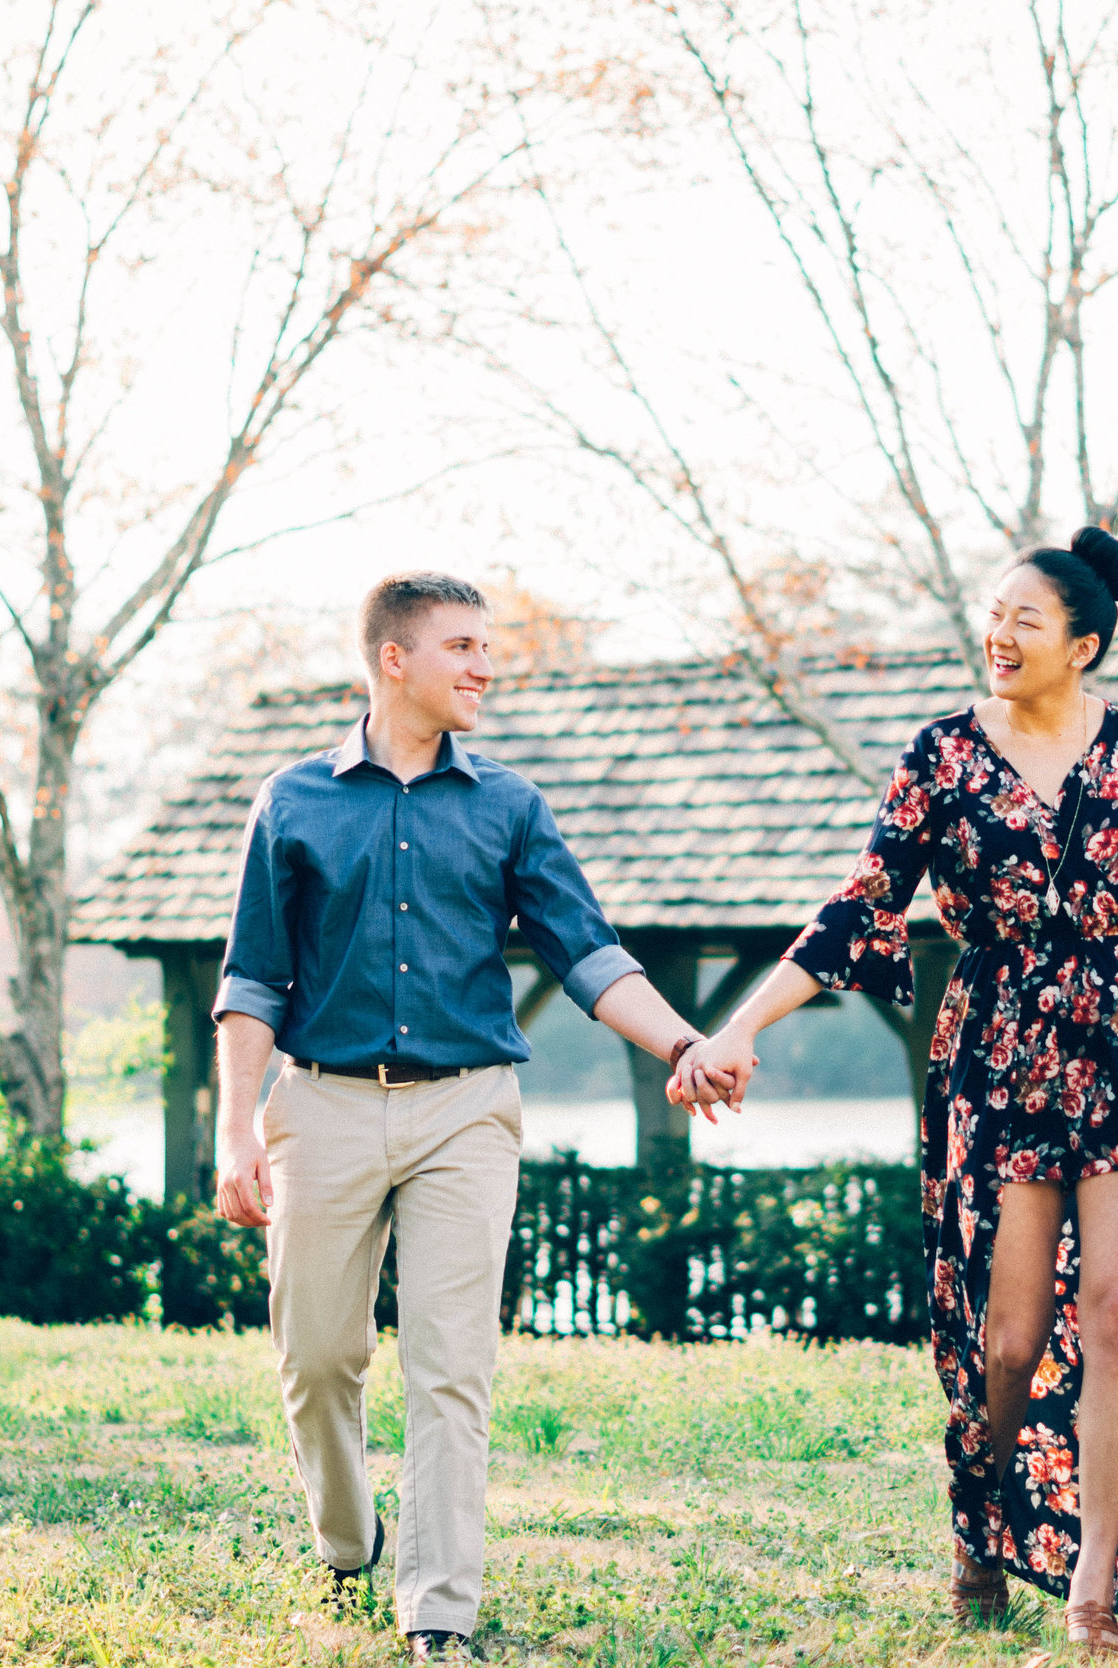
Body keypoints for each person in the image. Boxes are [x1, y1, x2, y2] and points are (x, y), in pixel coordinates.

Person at [673, 528, 1118, 1655]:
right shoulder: (941, 754)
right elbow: (859, 902)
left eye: (1025, 619)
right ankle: (982, 1519)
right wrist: (738, 1025)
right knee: (1010, 1342)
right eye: (993, 615)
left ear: (1084, 644)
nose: (999, 634)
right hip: (1005, 1059)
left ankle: (1094, 1579)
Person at [211, 572, 734, 1661]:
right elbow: (253, 983)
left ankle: (437, 1611)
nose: (485, 665)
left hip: (467, 1114)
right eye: (462, 646)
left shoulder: (508, 804)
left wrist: (684, 1041)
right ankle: (348, 1541)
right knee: (316, 1358)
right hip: (324, 1107)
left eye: (487, 645)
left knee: (450, 1366)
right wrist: (234, 1131)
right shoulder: (294, 802)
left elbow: (587, 954)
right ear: (392, 660)